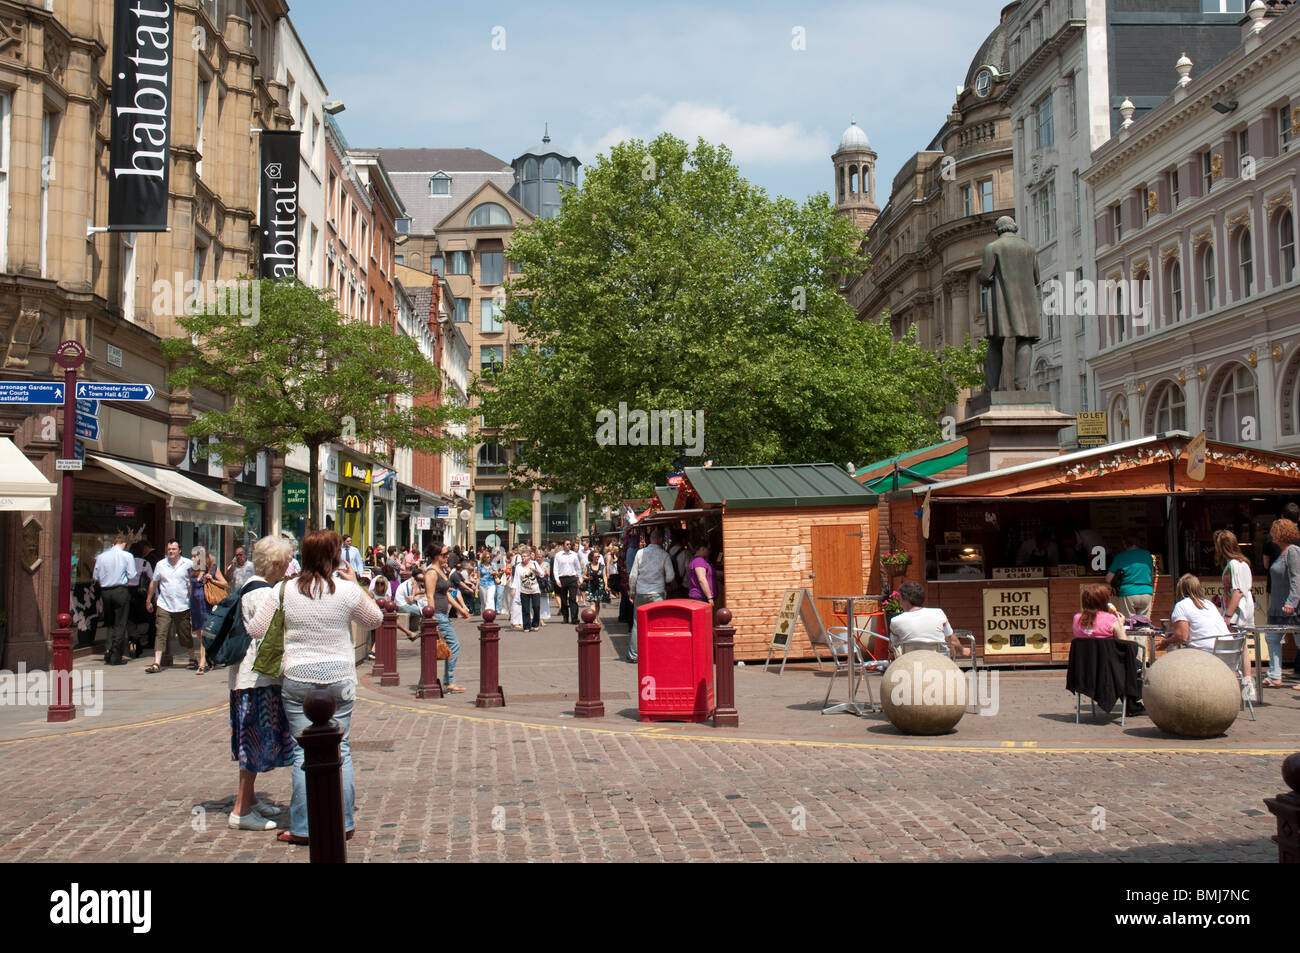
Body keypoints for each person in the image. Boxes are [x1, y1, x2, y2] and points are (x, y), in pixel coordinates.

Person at [248, 530, 382, 844]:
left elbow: (256, 629)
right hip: (339, 678)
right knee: (342, 749)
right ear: (336, 558)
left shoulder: (284, 590)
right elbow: (374, 619)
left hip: (298, 677)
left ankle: (305, 827)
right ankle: (344, 822)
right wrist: (356, 583)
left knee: (302, 753)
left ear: (304, 557)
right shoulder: (347, 591)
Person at [227, 536, 295, 832]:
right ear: (277, 564)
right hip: (257, 680)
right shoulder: (265, 594)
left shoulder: (248, 585)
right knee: (252, 744)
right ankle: (241, 811)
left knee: (249, 740)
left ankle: (251, 800)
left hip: (243, 677)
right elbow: (269, 639)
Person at [144, 540, 195, 673]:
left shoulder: (188, 564)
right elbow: (154, 582)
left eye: (173, 549)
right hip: (164, 604)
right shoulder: (161, 564)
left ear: (179, 550)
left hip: (183, 605)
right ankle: (156, 663)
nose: (171, 551)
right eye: (169, 549)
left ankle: (192, 658)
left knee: (185, 634)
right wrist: (148, 600)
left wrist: (195, 601)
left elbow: (194, 583)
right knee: (160, 633)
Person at [627, 528, 675, 663]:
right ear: (661, 539)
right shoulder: (664, 555)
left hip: (641, 592)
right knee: (657, 623)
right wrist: (662, 579)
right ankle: (657, 652)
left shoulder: (640, 553)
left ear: (650, 539)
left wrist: (632, 591)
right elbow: (670, 576)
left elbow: (633, 575)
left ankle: (634, 654)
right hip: (657, 592)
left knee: (637, 623)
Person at [425, 545, 468, 691]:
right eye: (444, 554)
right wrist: (432, 619)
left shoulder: (441, 571)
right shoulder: (431, 573)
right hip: (437, 615)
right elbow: (430, 595)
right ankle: (449, 681)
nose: (447, 556)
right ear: (436, 556)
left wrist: (461, 609)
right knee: (453, 645)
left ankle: (426, 680)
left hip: (442, 614)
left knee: (434, 648)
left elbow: (447, 594)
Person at [1265, 519, 1300, 688]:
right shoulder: (1283, 553)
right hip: (1277, 607)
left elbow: (1297, 579)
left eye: (1273, 531)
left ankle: (1275, 674)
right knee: (1272, 637)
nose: (1271, 534)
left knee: (1299, 641)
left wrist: (1291, 602)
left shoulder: (1293, 552)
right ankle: (1274, 675)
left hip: (1290, 608)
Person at [1158, 574, 1231, 653]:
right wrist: (1174, 636)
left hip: (1207, 655)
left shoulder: (1181, 605)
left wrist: (1166, 642)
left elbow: (1182, 636)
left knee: (1174, 658)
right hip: (1230, 652)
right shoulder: (1209, 604)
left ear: (1180, 590)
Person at [92, 533, 135, 666]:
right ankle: (116, 656)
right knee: (120, 623)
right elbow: (132, 574)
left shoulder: (101, 556)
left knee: (110, 623)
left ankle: (108, 650)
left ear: (113, 544)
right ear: (124, 544)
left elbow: (95, 575)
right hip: (121, 590)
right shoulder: (127, 555)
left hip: (105, 591)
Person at [889, 581, 959, 653]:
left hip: (912, 662)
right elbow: (951, 639)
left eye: (899, 598)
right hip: (939, 660)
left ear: (905, 600)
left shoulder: (896, 621)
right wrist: (962, 650)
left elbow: (894, 647)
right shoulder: (938, 613)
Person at [190, 546, 227, 674]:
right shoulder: (192, 570)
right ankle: (209, 656)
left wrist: (212, 580)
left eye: (195, 556)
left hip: (206, 604)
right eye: (192, 556)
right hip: (195, 605)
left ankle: (202, 663)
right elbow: (191, 588)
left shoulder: (212, 568)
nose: (193, 558)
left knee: (205, 631)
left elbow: (224, 584)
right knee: (199, 633)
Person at [1105, 536, 1154, 619]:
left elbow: (1108, 578)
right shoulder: (1147, 554)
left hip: (1128, 593)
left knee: (1128, 624)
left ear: (1125, 543)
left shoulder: (1121, 556)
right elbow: (1151, 576)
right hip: (1146, 593)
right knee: (1144, 626)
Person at [1215, 530, 1255, 631]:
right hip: (1239, 611)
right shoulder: (1242, 563)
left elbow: (1238, 592)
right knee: (1241, 643)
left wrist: (1228, 615)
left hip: (1236, 614)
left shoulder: (1233, 565)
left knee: (1233, 643)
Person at [553, 538, 583, 624]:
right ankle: (565, 617)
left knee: (573, 598)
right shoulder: (558, 555)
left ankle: (574, 618)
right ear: (563, 545)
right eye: (567, 544)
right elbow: (555, 569)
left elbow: (578, 567)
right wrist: (557, 580)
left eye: (570, 544)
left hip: (572, 578)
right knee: (563, 599)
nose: (569, 546)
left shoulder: (574, 554)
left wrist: (580, 578)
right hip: (562, 578)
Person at [517, 546, 544, 632]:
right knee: (525, 608)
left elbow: (542, 574)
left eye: (524, 556)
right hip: (524, 590)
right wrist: (515, 590)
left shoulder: (534, 563)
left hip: (534, 589)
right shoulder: (519, 566)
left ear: (529, 557)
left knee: (536, 607)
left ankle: (535, 624)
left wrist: (536, 571)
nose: (523, 558)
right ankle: (526, 626)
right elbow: (516, 579)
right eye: (522, 557)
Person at [393, 570, 427, 635]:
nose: (420, 582)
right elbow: (410, 600)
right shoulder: (409, 584)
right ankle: (425, 629)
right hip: (402, 605)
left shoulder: (415, 584)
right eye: (419, 580)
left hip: (408, 603)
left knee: (424, 605)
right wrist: (415, 590)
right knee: (423, 611)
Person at [686, 540, 716, 606]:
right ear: (702, 548)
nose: (709, 552)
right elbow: (702, 579)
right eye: (709, 549)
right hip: (701, 598)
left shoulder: (696, 560)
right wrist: (709, 598)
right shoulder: (699, 561)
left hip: (699, 597)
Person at [477, 552, 497, 618]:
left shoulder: (493, 565)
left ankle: (490, 615)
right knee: (484, 601)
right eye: (487, 557)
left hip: (491, 584)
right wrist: (476, 587)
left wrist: (493, 572)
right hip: (482, 584)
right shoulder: (480, 566)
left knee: (490, 599)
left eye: (489, 557)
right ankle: (485, 615)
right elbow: (478, 577)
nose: (489, 558)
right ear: (484, 558)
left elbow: (497, 572)